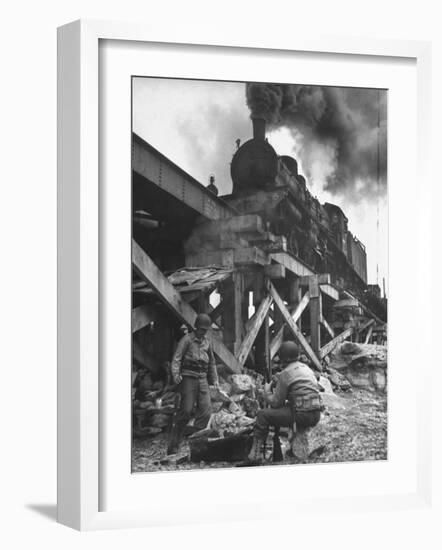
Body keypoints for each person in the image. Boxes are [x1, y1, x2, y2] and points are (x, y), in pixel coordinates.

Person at [248, 340, 323, 463]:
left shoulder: (286, 373)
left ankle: (254, 456)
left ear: (283, 358)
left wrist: (266, 392)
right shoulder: (306, 369)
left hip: (302, 415)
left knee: (262, 415)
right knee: (287, 408)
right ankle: (290, 449)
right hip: (315, 413)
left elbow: (276, 403)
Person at [167, 313, 219, 454]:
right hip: (188, 377)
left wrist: (214, 379)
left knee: (206, 411)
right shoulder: (187, 340)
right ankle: (174, 444)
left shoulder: (207, 342)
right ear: (196, 327)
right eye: (201, 329)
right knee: (186, 410)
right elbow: (176, 358)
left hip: (202, 378)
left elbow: (212, 363)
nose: (203, 332)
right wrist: (176, 374)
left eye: (205, 330)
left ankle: (196, 442)